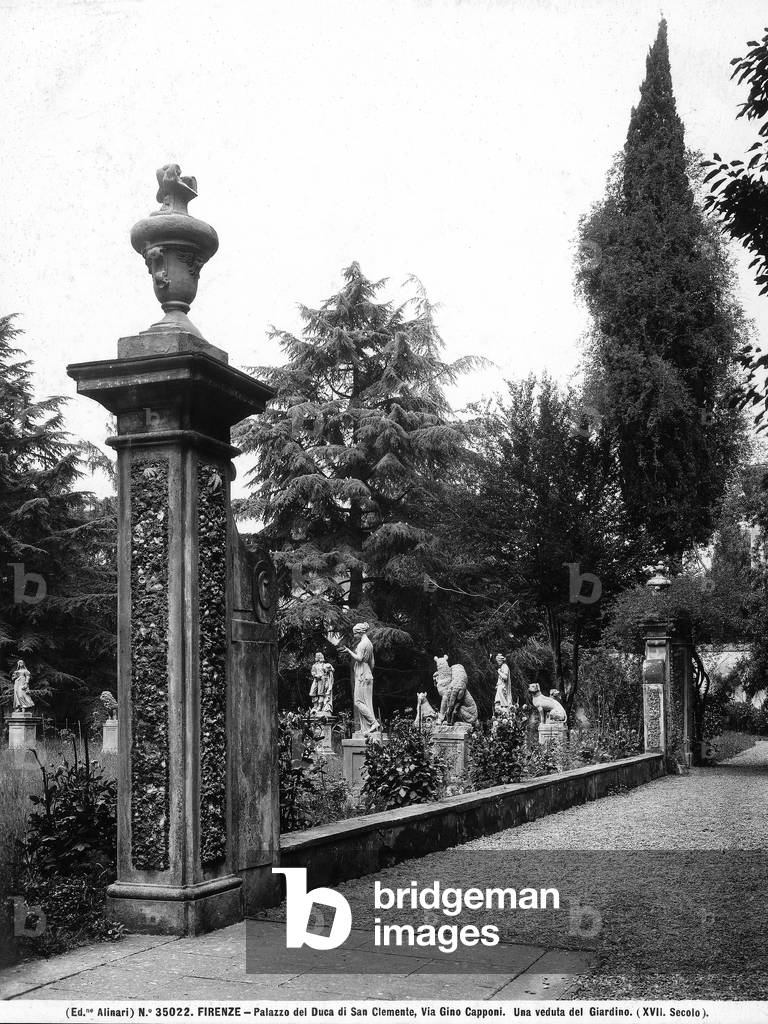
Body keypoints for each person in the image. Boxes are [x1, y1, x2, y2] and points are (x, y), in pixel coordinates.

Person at [331, 622, 379, 735]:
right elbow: (372, 662)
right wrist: (368, 673)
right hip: (367, 673)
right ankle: (367, 727)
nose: (354, 636)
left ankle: (373, 722)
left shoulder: (363, 644)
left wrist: (348, 651)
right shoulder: (369, 643)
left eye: (355, 634)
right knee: (366, 702)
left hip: (362, 674)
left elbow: (359, 658)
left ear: (360, 632)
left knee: (358, 701)